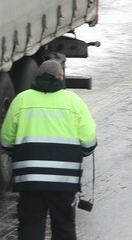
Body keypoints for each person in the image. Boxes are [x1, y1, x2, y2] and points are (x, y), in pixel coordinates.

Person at [1, 58, 97, 240]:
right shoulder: (74, 102)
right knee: (64, 225)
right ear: (61, 76)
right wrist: (84, 151)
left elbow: (6, 141)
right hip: (64, 180)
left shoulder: (21, 100)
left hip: (29, 179)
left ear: (37, 76)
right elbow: (89, 141)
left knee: (30, 225)